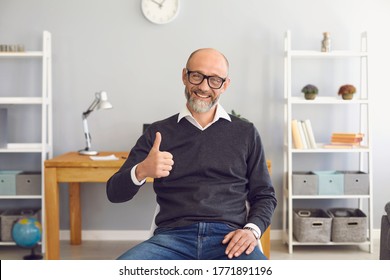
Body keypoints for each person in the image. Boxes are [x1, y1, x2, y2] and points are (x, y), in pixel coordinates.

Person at [106, 48, 277, 260]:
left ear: (225, 85)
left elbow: (264, 195)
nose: (204, 87)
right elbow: (114, 193)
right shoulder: (159, 132)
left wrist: (251, 230)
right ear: (184, 76)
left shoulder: (246, 132)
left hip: (230, 239)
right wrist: (142, 170)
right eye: (197, 76)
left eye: (214, 80)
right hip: (170, 240)